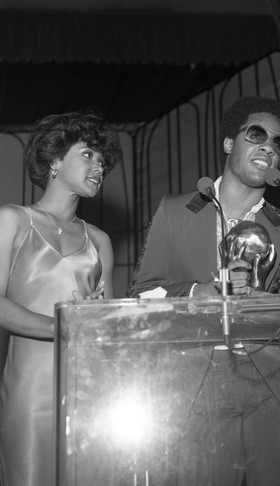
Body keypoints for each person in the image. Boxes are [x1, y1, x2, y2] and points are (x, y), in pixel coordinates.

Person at [129, 96, 280, 486]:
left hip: (271, 383)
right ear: (229, 143)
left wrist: (262, 303)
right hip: (195, 384)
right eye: (257, 134)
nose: (269, 146)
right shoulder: (176, 210)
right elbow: (142, 296)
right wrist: (197, 293)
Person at [0, 109, 121, 486]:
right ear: (54, 160)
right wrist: (66, 326)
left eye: (102, 161)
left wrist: (103, 319)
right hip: (30, 392)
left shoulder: (99, 240)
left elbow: (108, 325)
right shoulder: (12, 220)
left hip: (90, 391)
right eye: (87, 155)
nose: (98, 166)